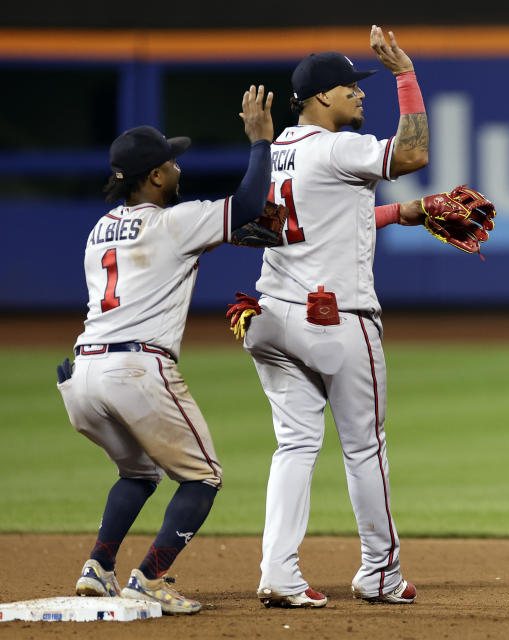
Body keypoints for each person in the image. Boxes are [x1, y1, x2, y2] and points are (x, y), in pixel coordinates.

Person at [58, 85, 275, 614]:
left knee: (137, 473)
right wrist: (259, 141)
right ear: (154, 176)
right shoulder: (172, 221)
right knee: (203, 477)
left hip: (81, 375)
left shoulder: (99, 230)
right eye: (172, 163)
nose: (179, 168)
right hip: (137, 369)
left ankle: (98, 567)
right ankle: (150, 577)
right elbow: (246, 205)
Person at [238, 26, 434, 608]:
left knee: (294, 446)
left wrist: (397, 214)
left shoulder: (270, 156)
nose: (360, 94)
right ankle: (381, 572)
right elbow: (415, 153)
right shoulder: (339, 147)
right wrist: (406, 75)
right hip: (336, 320)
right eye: (352, 86)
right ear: (322, 97)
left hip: (269, 315)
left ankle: (278, 570)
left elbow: (282, 229)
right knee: (364, 448)